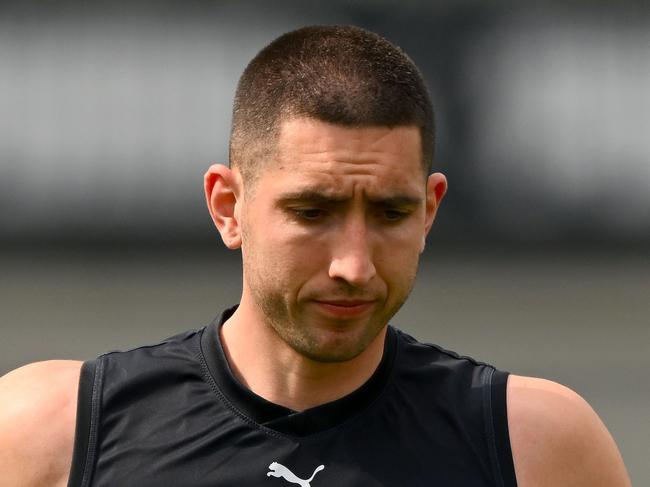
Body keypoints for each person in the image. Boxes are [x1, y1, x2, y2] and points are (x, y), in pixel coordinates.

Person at [0, 25, 630, 487]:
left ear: (431, 209)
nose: (354, 266)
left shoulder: (534, 447)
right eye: (312, 212)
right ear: (228, 206)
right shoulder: (53, 433)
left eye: (391, 213)